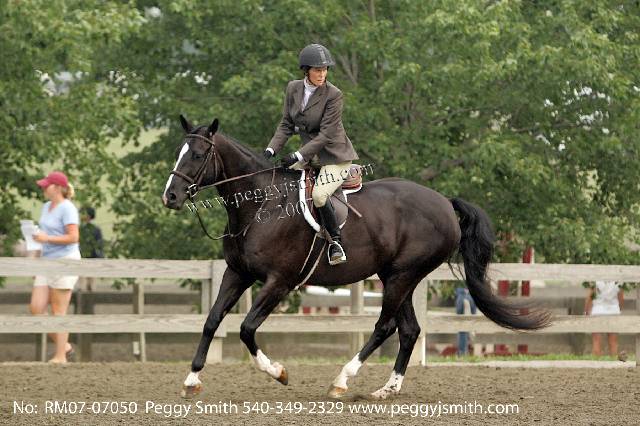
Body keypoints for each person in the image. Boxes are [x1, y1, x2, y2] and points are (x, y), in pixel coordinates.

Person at [264, 43, 359, 265]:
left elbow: (326, 135)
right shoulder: (293, 88)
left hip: (335, 157)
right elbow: (286, 124)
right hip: (311, 157)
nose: (322, 74)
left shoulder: (334, 94)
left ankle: (335, 244)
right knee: (276, 180)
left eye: (325, 70)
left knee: (319, 195)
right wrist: (270, 150)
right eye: (318, 70)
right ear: (306, 70)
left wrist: (297, 155)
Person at [31, 171, 81, 363]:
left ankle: (60, 356)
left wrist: (47, 238)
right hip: (46, 260)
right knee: (36, 308)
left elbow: (73, 237)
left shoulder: (68, 208)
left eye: (47, 185)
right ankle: (65, 346)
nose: (44, 188)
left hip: (65, 260)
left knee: (59, 310)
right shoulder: (46, 207)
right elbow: (44, 234)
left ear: (58, 188)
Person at [584, 280, 624, 357]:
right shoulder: (618, 280)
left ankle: (596, 361)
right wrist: (619, 309)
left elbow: (590, 296)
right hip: (614, 310)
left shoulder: (595, 279)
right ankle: (613, 361)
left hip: (598, 310)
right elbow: (621, 297)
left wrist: (586, 311)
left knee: (596, 340)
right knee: (613, 341)